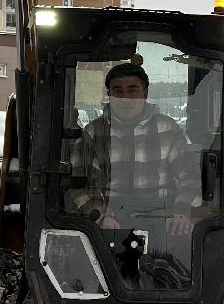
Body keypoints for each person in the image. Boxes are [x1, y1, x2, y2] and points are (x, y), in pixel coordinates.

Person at [68, 61, 199, 284]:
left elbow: (190, 175)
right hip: (112, 216)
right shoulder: (95, 132)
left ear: (145, 93)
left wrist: (181, 211)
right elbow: (80, 183)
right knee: (86, 268)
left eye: (132, 90)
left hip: (164, 216)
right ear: (109, 95)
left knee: (188, 257)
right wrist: (100, 215)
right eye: (118, 91)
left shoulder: (167, 128)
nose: (125, 98)